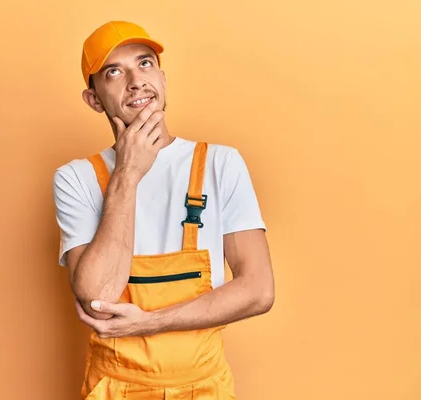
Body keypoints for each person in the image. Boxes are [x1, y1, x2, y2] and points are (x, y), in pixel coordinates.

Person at [53, 20, 275, 399]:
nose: (136, 81)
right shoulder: (76, 178)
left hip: (205, 389)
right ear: (93, 99)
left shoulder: (221, 164)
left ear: (163, 79)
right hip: (115, 390)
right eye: (113, 72)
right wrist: (126, 173)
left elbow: (258, 290)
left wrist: (148, 323)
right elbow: (98, 296)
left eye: (144, 64)